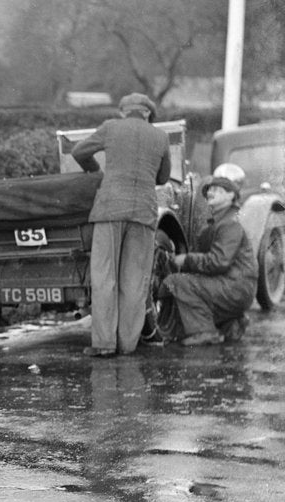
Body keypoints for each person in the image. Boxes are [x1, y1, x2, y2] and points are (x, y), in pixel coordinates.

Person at [72, 92, 172, 358]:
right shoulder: (161, 137)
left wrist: (96, 171)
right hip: (144, 212)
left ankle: (104, 344)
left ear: (124, 111)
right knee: (135, 281)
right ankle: (127, 345)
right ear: (148, 113)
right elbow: (162, 177)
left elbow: (78, 151)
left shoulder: (111, 127)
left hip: (110, 208)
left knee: (105, 277)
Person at [158, 175, 257, 346]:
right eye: (210, 190)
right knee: (190, 283)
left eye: (218, 190)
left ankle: (204, 331)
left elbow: (219, 262)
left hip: (235, 288)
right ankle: (231, 323)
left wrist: (186, 260)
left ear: (231, 196)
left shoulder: (229, 224)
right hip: (235, 287)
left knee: (177, 283)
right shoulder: (217, 224)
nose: (211, 192)